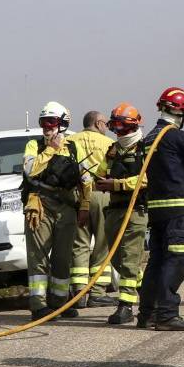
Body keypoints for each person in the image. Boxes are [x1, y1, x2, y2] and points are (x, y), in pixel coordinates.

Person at [137, 87, 184, 331]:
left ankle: (147, 313)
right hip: (176, 210)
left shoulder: (150, 136)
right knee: (177, 260)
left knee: (157, 260)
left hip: (156, 209)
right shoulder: (175, 136)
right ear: (182, 111)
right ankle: (167, 314)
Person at [22, 101, 93, 321]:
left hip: (66, 208)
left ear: (62, 123)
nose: (46, 127)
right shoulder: (34, 146)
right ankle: (38, 306)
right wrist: (50, 151)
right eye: (43, 122)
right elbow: (30, 170)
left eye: (51, 122)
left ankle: (60, 303)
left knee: (62, 258)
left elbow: (86, 179)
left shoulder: (73, 147)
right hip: (41, 205)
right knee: (38, 256)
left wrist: (84, 206)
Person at [95, 102, 148, 325]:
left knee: (130, 256)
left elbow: (145, 179)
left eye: (123, 127)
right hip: (114, 211)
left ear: (134, 125)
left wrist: (116, 184)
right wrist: (97, 182)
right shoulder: (113, 150)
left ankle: (125, 307)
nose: (118, 132)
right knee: (117, 259)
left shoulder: (145, 149)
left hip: (135, 211)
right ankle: (147, 291)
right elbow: (100, 173)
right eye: (115, 127)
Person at [69, 110, 117, 308]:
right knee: (102, 244)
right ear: (98, 123)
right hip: (101, 194)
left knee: (79, 243)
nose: (107, 127)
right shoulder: (108, 144)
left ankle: (79, 293)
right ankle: (97, 292)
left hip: (77, 195)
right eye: (105, 123)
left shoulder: (70, 140)